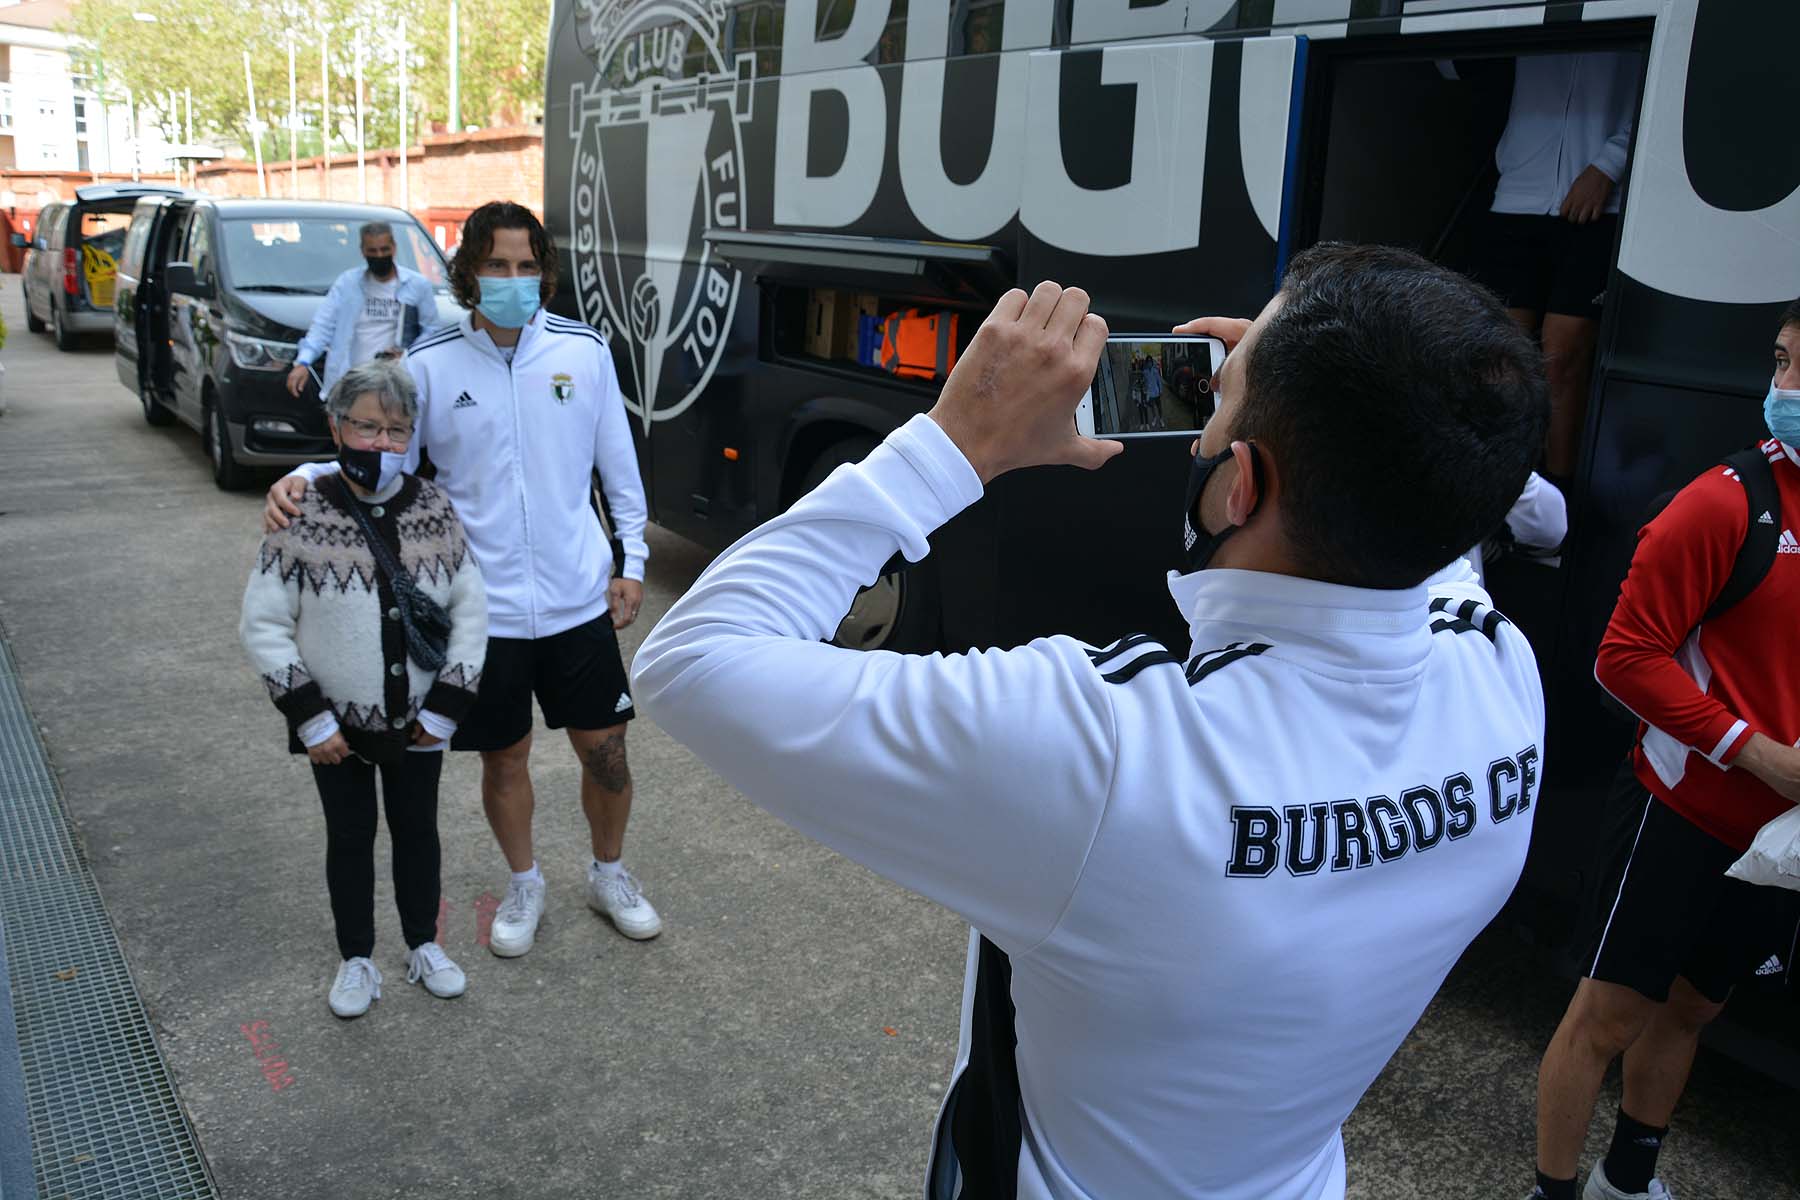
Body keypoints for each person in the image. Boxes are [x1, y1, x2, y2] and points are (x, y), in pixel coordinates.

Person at [632, 244, 1551, 1199]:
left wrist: (955, 441)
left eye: (1220, 400)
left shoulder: (1111, 751)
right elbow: (1431, 511)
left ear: (1240, 485)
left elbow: (696, 655)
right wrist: (1298, 404)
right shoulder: (1500, 676)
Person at [263, 201, 660, 956]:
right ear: (469, 274)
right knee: (504, 757)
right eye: (497, 266)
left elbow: (620, 470)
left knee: (606, 751)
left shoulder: (586, 352)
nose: (514, 280)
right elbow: (384, 459)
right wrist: (302, 477)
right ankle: (526, 883)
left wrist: (631, 562)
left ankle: (610, 873)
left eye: (527, 266)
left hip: (579, 602)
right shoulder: (430, 363)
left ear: (544, 272)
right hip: (487, 615)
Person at [1527, 299, 1800, 1200]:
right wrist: (1751, 749)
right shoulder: (1724, 501)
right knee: (1608, 1015)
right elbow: (1623, 657)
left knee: (1693, 1009)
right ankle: (1553, 1190)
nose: (1784, 387)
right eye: (1781, 360)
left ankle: (1626, 1180)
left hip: (1776, 845)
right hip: (1679, 810)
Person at [240, 360, 488, 1018]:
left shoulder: (435, 508)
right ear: (336, 425)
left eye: (397, 430)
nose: (380, 443)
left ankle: (421, 944)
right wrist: (311, 721)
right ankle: (356, 959)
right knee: (348, 838)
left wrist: (447, 709)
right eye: (366, 426)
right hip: (336, 733)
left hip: (420, 726)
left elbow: (472, 612)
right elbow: (262, 624)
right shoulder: (298, 511)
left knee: (418, 834)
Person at [1469, 51, 1640, 481]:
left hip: (1597, 202)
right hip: (1516, 195)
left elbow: (1661, 82)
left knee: (1561, 358)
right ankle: (1500, 494)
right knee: (1500, 357)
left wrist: (1610, 164)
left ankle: (1557, 509)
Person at [285, 221, 439, 402]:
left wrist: (407, 353)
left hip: (396, 381)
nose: (379, 255)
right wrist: (303, 362)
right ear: (363, 251)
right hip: (350, 380)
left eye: (384, 249)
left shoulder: (417, 285)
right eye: (372, 251)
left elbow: (431, 331)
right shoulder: (347, 283)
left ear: (394, 248)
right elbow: (323, 325)